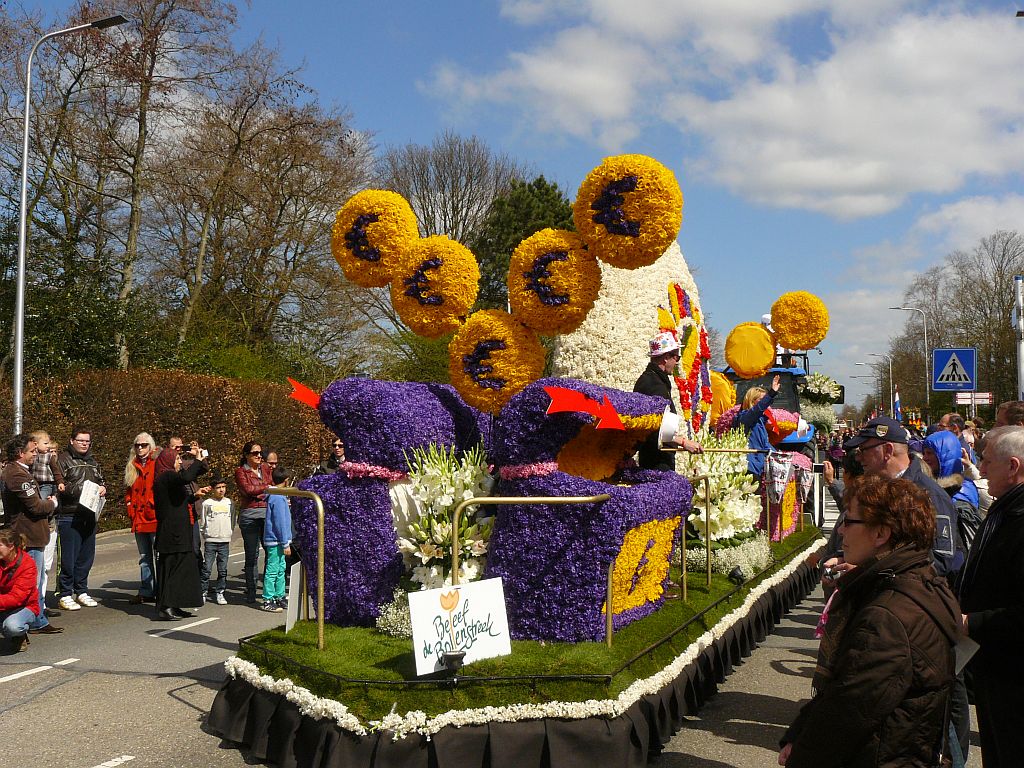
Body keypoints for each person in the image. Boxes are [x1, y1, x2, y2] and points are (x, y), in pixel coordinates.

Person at [778, 475, 960, 767]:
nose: (840, 530)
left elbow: (850, 709)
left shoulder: (887, 615)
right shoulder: (920, 579)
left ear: (881, 534)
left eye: (849, 521)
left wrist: (802, 754)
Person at [957, 426, 1024, 767]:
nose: (980, 471)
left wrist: (972, 622)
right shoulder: (1005, 508)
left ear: (1013, 466)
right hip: (995, 668)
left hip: (1014, 676)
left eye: (986, 462)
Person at [2, 434, 62, 635]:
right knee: (31, 583)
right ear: (20, 453)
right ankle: (34, 621)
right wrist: (52, 503)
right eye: (32, 451)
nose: (36, 454)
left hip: (30, 534)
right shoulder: (16, 475)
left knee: (35, 581)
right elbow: (35, 506)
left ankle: (38, 619)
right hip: (27, 535)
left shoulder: (20, 471)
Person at [633, 331, 702, 471]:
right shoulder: (653, 384)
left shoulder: (655, 380)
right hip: (656, 461)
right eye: (676, 357)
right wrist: (684, 442)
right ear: (665, 357)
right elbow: (654, 426)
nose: (677, 362)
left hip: (658, 456)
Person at [154, 445, 208, 621]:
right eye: (177, 459)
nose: (180, 462)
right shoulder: (166, 475)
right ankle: (166, 606)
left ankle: (175, 604)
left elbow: (175, 502)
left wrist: (194, 496)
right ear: (168, 460)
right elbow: (187, 476)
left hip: (178, 531)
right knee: (174, 570)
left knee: (181, 568)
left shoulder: (168, 478)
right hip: (172, 533)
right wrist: (198, 459)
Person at [56, 426, 106, 611]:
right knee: (68, 557)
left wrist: (102, 488)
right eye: (81, 440)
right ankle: (65, 593)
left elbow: (101, 480)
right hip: (70, 514)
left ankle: (82, 590)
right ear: (71, 441)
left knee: (86, 557)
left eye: (87, 441)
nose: (84, 444)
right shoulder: (61, 460)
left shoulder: (93, 461)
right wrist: (85, 489)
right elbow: (60, 485)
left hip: (90, 514)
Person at [924, 430, 982, 551]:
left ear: (944, 455)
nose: (925, 458)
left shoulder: (961, 491)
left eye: (930, 453)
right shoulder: (932, 485)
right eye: (924, 453)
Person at [29, 430, 64, 616]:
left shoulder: (51, 460)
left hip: (50, 519)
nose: (49, 448)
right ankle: (37, 606)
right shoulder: (30, 465)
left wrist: (58, 487)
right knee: (38, 567)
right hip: (39, 523)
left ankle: (40, 604)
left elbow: (57, 474)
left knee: (45, 566)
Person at [235, 441, 272, 604]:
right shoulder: (241, 471)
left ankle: (268, 589)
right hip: (250, 514)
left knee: (270, 551)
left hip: (266, 513)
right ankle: (251, 589)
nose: (259, 456)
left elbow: (272, 487)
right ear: (246, 455)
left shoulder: (265, 469)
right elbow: (247, 490)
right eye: (255, 453)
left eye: (260, 453)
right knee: (252, 554)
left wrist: (261, 489)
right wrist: (265, 488)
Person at [125, 432, 159, 605]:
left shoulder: (157, 463)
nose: (140, 448)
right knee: (144, 557)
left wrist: (154, 504)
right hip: (138, 518)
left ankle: (162, 590)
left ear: (150, 446)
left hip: (154, 517)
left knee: (159, 555)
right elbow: (129, 492)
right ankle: (147, 590)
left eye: (144, 445)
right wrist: (130, 508)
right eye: (137, 445)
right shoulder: (132, 465)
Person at [0, 529, 41, 653]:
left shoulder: (27, 564)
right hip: (3, 604)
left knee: (12, 626)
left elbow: (17, 598)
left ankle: (18, 635)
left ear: (11, 546)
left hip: (25, 606)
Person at [736, 374, 781, 479]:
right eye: (762, 399)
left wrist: (779, 455)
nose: (767, 404)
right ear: (752, 401)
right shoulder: (745, 418)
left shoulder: (760, 421)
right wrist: (771, 393)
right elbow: (758, 409)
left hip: (760, 465)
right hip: (749, 467)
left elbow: (764, 445)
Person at [262, 466, 293, 613]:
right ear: (286, 481)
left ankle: (279, 595)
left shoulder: (277, 496)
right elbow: (280, 522)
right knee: (273, 570)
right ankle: (268, 599)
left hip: (279, 540)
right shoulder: (278, 498)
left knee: (281, 568)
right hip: (276, 541)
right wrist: (285, 542)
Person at [199, 473, 232, 605]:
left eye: (223, 487)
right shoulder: (207, 503)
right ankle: (203, 592)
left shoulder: (229, 502)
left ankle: (220, 592)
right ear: (213, 489)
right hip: (211, 541)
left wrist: (228, 532)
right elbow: (203, 521)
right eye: (218, 487)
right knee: (206, 568)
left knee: (222, 569)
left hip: (225, 541)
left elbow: (232, 518)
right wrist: (206, 535)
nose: (221, 490)